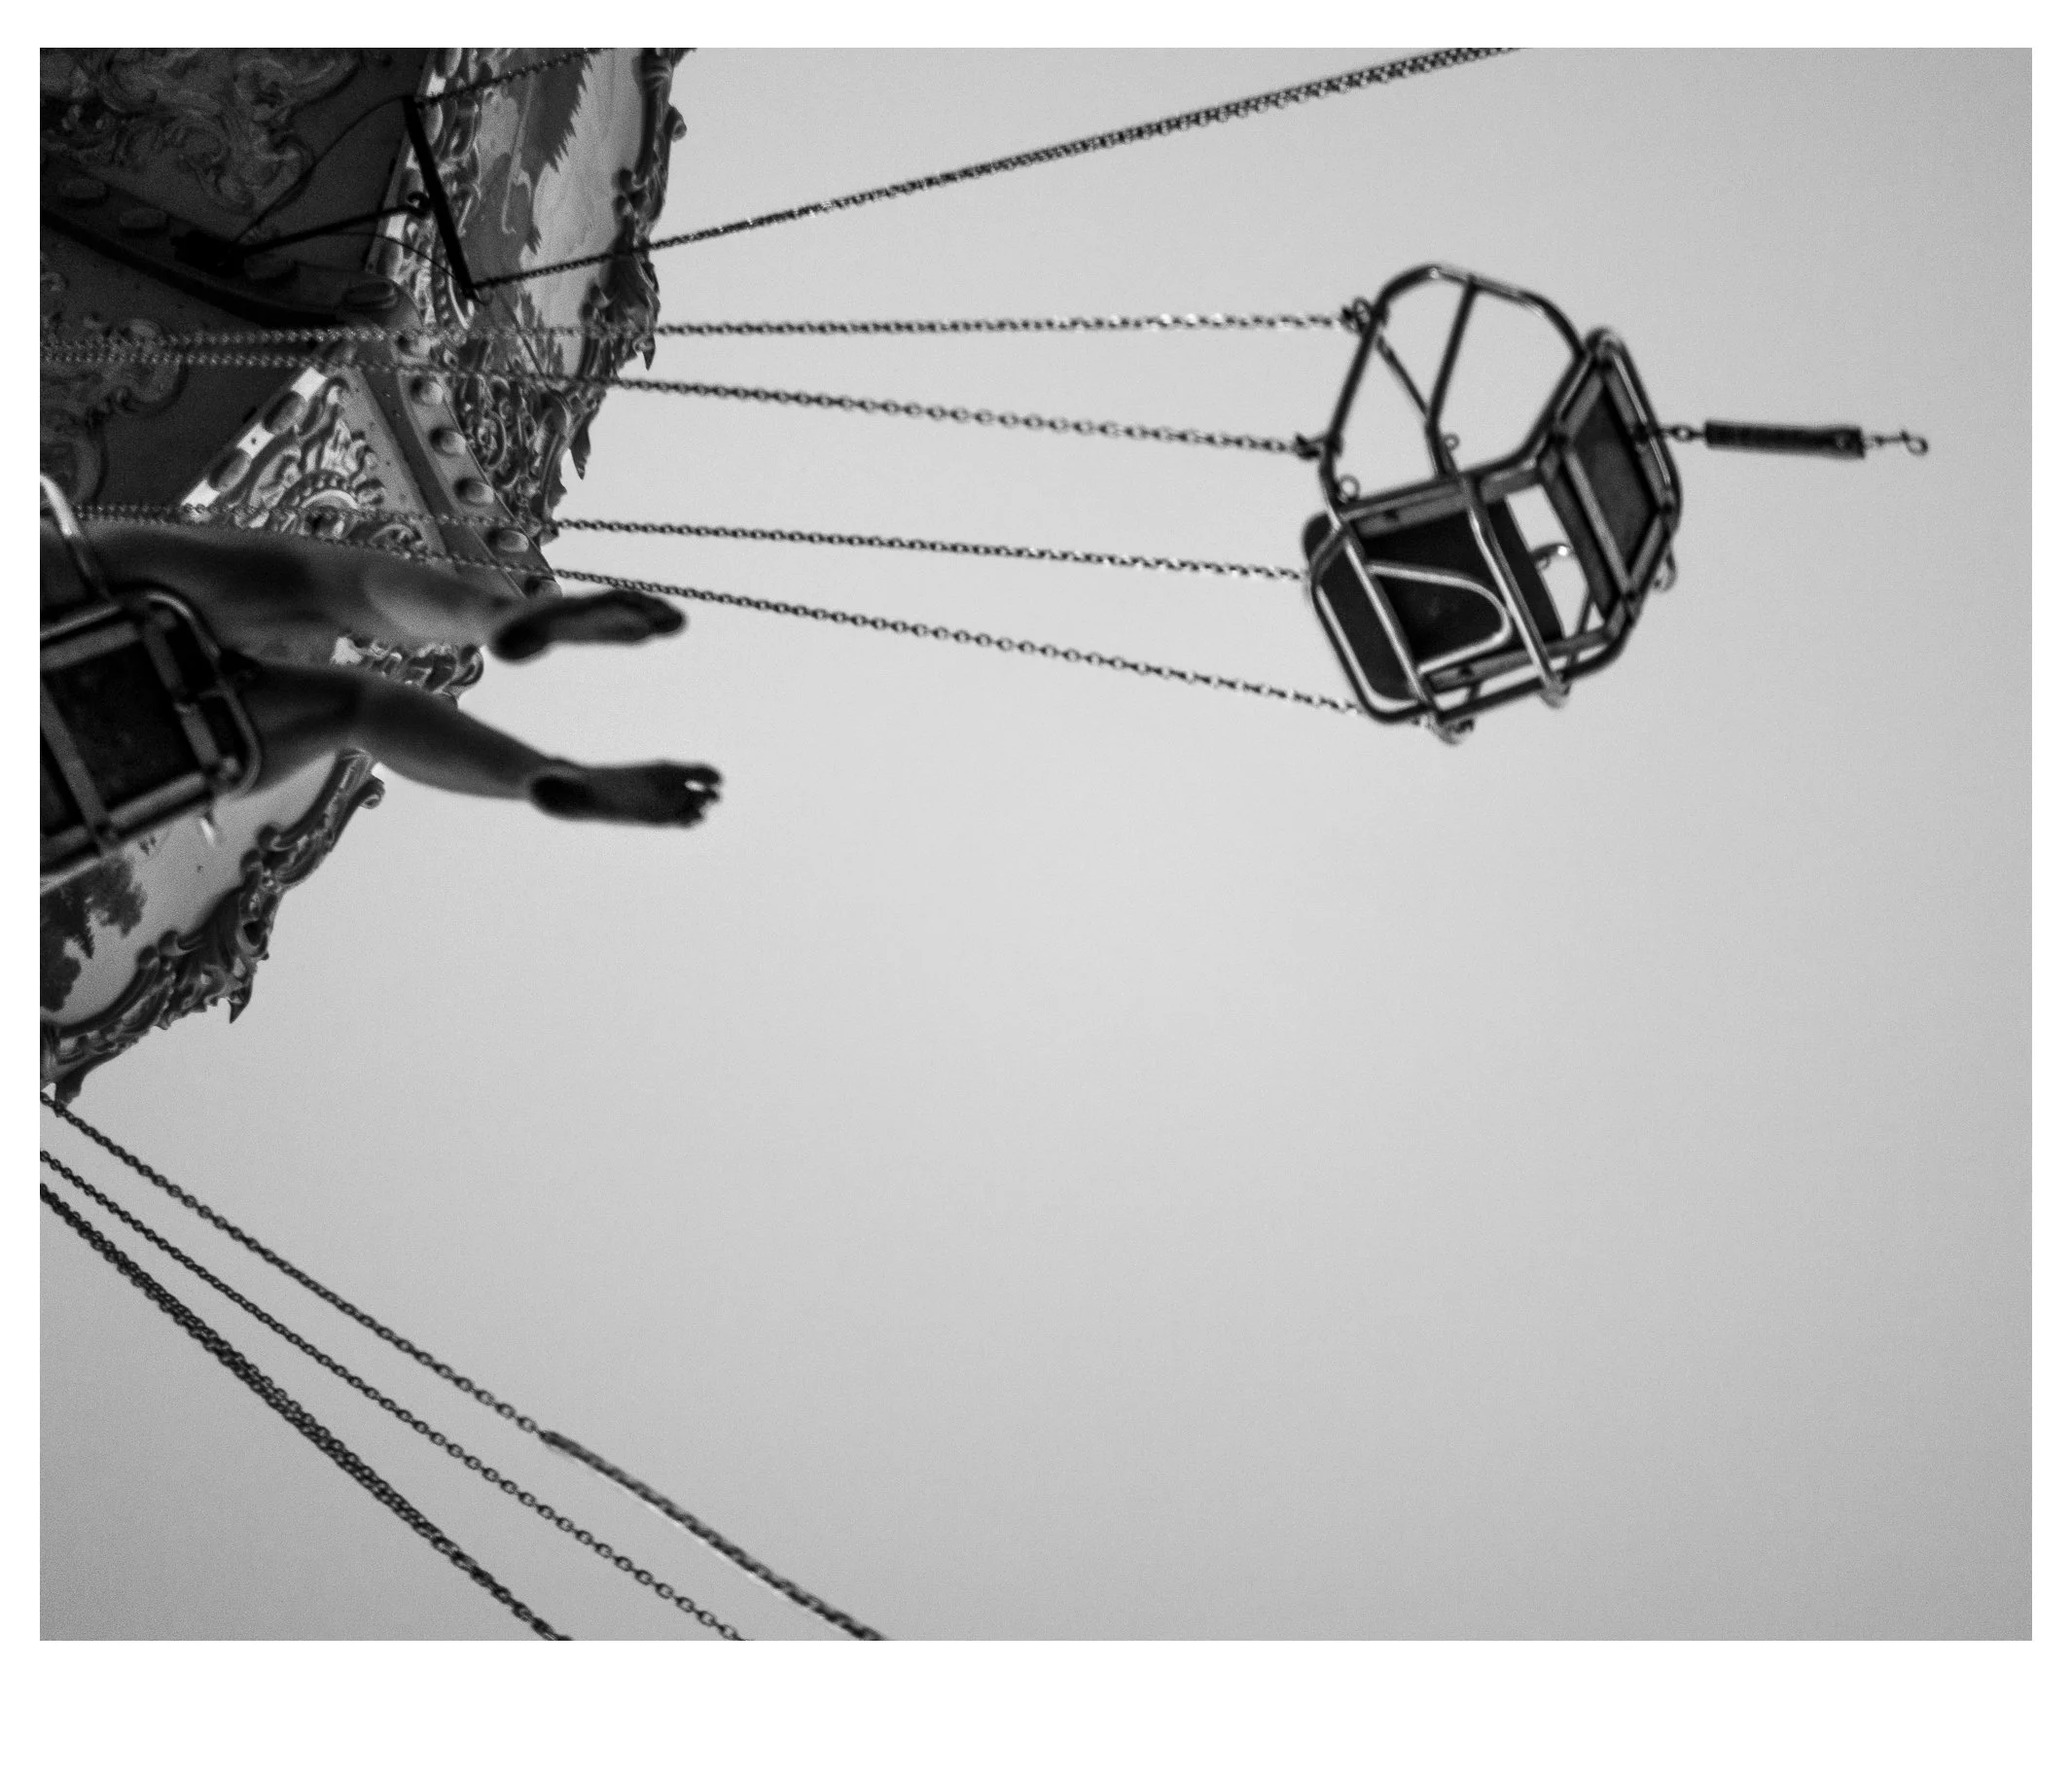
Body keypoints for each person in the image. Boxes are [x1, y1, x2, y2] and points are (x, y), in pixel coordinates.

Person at [43, 499, 721, 828]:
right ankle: (494, 631)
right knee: (317, 608)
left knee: (352, 704)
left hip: (86, 742)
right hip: (123, 701)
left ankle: (537, 763)